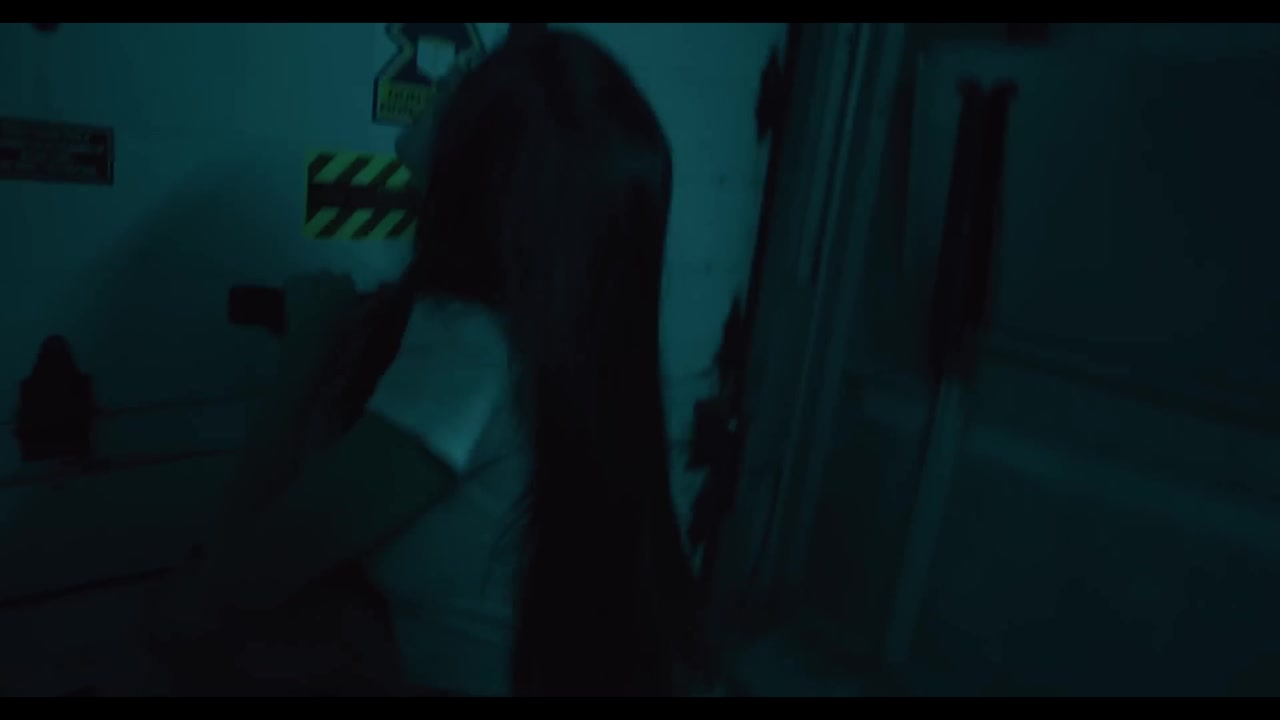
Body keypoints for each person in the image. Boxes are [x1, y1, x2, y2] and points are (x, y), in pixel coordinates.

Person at [160, 28, 695, 697]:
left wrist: (303, 356)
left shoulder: (469, 352)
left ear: (494, 166)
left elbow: (225, 591)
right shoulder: (567, 343)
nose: (446, 80)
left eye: (474, 86)